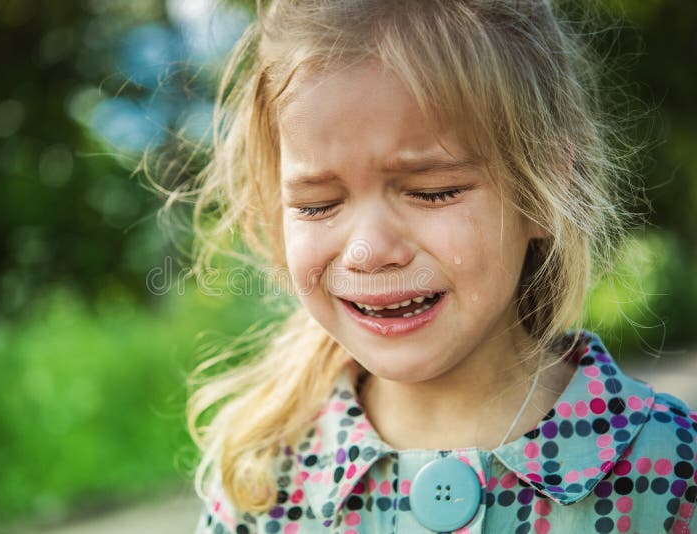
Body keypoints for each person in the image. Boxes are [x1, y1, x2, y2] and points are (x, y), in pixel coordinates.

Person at [174, 1, 697, 532]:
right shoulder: (262, 483)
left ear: (545, 192)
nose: (367, 251)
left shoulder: (675, 473)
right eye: (317, 205)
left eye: (433, 192)